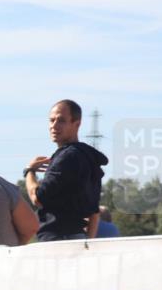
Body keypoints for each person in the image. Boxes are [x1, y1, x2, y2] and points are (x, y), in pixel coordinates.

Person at [24, 99, 108, 241]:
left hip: (56, 239)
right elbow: (94, 212)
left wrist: (29, 171)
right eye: (51, 120)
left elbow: (37, 198)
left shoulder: (66, 157)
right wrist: (87, 243)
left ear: (77, 124)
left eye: (61, 120)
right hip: (77, 238)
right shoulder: (89, 158)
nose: (54, 126)